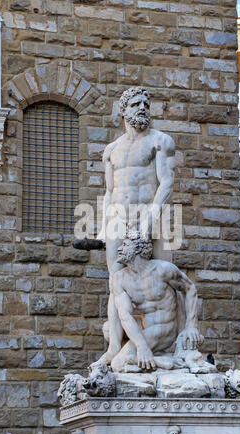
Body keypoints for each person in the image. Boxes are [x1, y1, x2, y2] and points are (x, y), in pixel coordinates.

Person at [95, 86, 177, 366]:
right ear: (124, 110)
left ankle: (169, 344)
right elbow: (109, 191)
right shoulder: (110, 151)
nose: (142, 107)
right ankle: (115, 346)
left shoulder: (160, 141)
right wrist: (103, 224)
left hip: (153, 215)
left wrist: (149, 220)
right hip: (118, 219)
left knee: (165, 277)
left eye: (146, 103)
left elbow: (166, 182)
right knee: (115, 281)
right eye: (135, 104)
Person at [109, 232, 204, 373]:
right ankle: (165, 363)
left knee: (118, 363)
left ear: (138, 249)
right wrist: (142, 346)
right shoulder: (119, 279)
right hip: (146, 331)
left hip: (165, 330)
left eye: (125, 245)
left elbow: (190, 289)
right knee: (118, 363)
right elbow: (125, 316)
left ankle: (155, 361)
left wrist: (191, 325)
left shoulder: (163, 269)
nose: (119, 249)